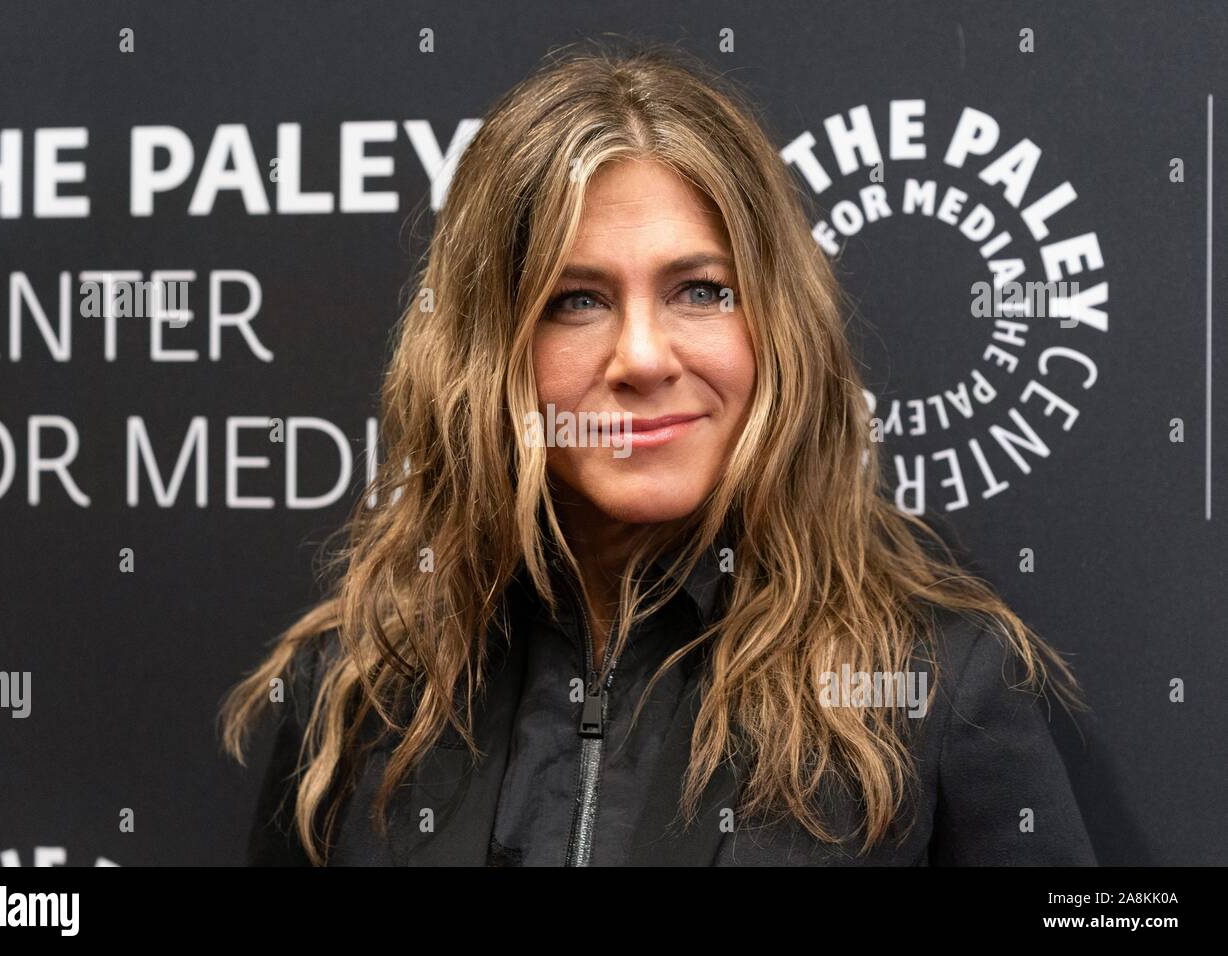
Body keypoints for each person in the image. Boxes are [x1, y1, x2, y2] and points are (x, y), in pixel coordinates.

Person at [219, 43, 1097, 867]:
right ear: (490, 351)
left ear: (777, 327)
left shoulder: (934, 684)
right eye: (576, 300)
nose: (642, 357)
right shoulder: (360, 687)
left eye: (702, 292)